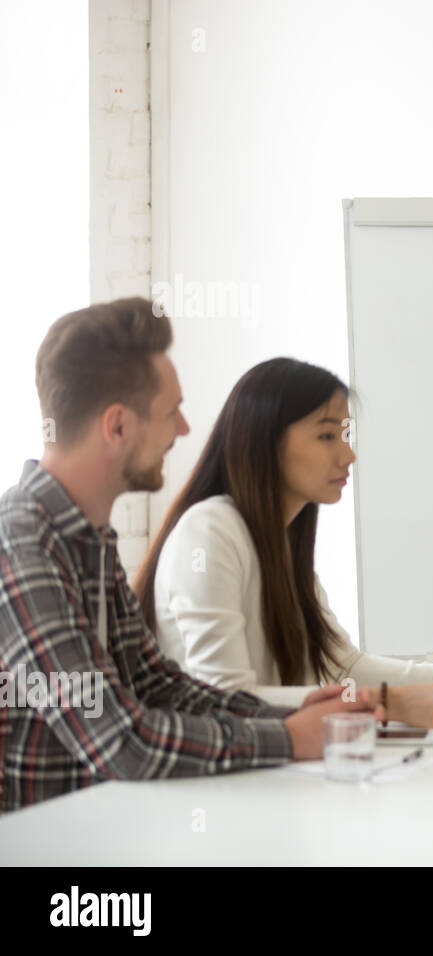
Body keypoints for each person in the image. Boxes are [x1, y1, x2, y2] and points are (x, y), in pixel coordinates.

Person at [0, 298, 379, 812]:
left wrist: (280, 716)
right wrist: (292, 739)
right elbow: (122, 742)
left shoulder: (87, 539)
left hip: (100, 829)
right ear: (117, 427)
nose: (183, 429)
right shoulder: (21, 544)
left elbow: (161, 686)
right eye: (171, 410)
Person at [133, 358, 433, 728]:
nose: (348, 456)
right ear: (264, 439)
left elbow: (340, 664)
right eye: (327, 436)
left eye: (345, 436)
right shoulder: (210, 532)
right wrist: (384, 702)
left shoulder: (279, 545)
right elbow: (226, 698)